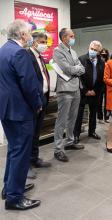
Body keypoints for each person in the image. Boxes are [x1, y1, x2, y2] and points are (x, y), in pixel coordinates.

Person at [0, 20, 42, 210]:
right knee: (21, 152)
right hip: (20, 111)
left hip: (7, 109)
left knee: (13, 149)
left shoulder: (3, 50)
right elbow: (29, 85)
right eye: (28, 33)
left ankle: (9, 187)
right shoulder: (19, 52)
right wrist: (37, 104)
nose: (30, 36)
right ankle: (14, 198)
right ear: (22, 35)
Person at [53, 28, 85, 162]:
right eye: (71, 36)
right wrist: (76, 69)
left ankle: (70, 142)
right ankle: (58, 149)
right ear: (64, 37)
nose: (73, 38)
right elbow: (66, 69)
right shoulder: (57, 51)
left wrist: (75, 69)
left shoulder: (73, 51)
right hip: (65, 90)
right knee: (62, 120)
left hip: (76, 88)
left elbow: (82, 68)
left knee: (73, 117)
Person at [26, 32, 52, 179]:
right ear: (34, 42)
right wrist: (36, 100)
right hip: (34, 101)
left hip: (43, 98)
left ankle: (34, 159)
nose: (44, 45)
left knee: (36, 132)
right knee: (29, 134)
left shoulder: (40, 57)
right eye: (42, 42)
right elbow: (29, 81)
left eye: (45, 42)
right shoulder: (27, 56)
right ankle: (27, 165)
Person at [73, 41, 104, 144]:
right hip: (83, 92)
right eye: (92, 48)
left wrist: (95, 91)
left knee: (93, 113)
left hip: (95, 93)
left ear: (99, 52)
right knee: (79, 114)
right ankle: (76, 135)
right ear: (89, 47)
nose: (93, 51)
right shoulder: (81, 59)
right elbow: (78, 77)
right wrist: (85, 90)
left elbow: (102, 79)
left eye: (95, 50)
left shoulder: (102, 62)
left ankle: (92, 131)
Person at [100, 48, 110, 123]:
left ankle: (106, 117)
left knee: (107, 101)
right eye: (102, 53)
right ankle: (100, 117)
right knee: (99, 101)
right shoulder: (98, 62)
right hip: (100, 83)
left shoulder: (109, 62)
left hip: (107, 84)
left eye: (105, 53)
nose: (103, 54)